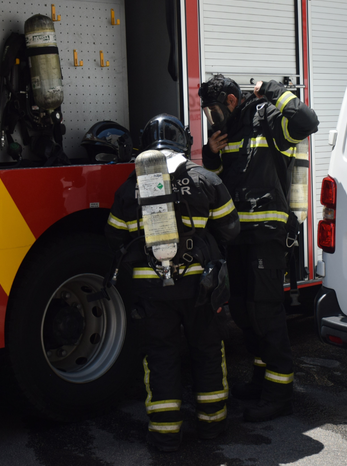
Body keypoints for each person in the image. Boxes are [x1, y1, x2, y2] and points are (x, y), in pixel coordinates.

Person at [105, 114, 240, 452]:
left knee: (160, 355)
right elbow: (231, 229)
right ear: (184, 142)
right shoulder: (205, 179)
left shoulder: (129, 186)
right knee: (207, 349)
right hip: (200, 287)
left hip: (151, 290)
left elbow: (114, 235)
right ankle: (212, 424)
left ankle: (165, 434)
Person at [198, 75, 319, 422]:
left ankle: (280, 394)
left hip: (267, 234)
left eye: (214, 110)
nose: (211, 118)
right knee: (242, 310)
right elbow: (219, 179)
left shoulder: (268, 118)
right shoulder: (227, 131)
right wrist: (211, 153)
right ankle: (261, 379)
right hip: (237, 237)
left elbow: (307, 121)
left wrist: (273, 90)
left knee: (265, 311)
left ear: (232, 101)